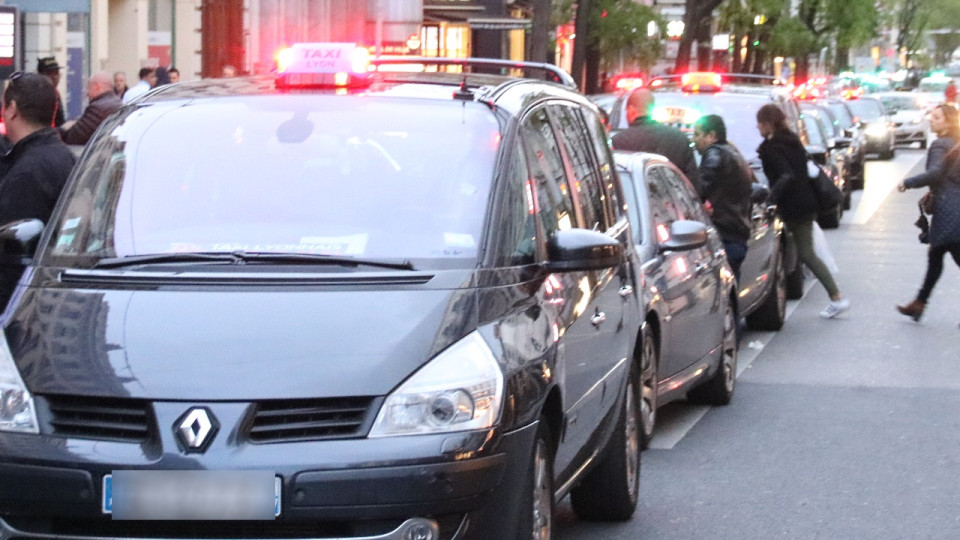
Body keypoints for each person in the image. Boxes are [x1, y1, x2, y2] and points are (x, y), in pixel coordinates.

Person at [755, 103, 849, 319]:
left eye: (760, 124)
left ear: (768, 124)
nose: (758, 128)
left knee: (805, 253)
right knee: (798, 250)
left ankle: (836, 296)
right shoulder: (792, 141)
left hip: (794, 207)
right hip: (805, 203)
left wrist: (771, 200)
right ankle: (833, 296)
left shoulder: (772, 148)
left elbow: (785, 176)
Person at [0, 72, 77, 309]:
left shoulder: (26, 174)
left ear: (12, 109)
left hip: (28, 304)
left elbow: (11, 257)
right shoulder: (65, 156)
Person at [895, 103, 960, 321]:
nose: (931, 119)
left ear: (947, 122)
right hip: (952, 206)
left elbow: (935, 173)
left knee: (945, 254)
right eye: (931, 116)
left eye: (936, 117)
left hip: (950, 210)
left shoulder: (940, 144)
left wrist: (907, 182)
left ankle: (919, 302)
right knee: (935, 256)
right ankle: (919, 302)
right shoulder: (955, 142)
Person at [693, 114, 753, 283]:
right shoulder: (734, 154)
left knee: (724, 291)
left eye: (697, 134)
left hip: (725, 235)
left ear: (711, 136)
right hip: (737, 233)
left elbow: (701, 188)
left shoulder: (714, 154)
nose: (694, 140)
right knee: (732, 289)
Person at [612, 87, 700, 187]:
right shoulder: (680, 138)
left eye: (626, 111)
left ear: (631, 110)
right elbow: (693, 185)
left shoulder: (618, 141)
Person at [59, 71, 123, 145]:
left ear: (97, 86)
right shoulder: (117, 101)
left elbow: (73, 138)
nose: (87, 93)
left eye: (88, 87)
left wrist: (64, 127)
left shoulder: (98, 109)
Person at [36, 57, 65, 127]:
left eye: (56, 73)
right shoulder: (36, 95)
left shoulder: (56, 93)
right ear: (40, 75)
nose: (55, 77)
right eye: (50, 74)